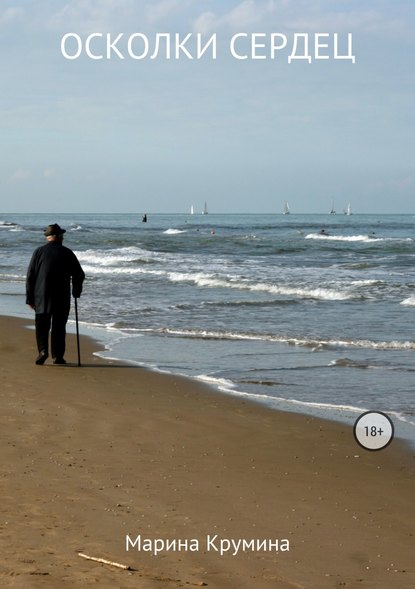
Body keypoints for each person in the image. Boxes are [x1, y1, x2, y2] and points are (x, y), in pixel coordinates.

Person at [26, 223, 85, 365]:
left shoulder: (38, 252)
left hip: (41, 296)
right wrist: (76, 291)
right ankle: (57, 356)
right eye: (62, 236)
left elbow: (30, 276)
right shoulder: (67, 252)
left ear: (48, 238)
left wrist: (30, 298)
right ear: (59, 237)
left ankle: (43, 351)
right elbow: (79, 274)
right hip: (61, 296)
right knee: (59, 326)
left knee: (42, 326)